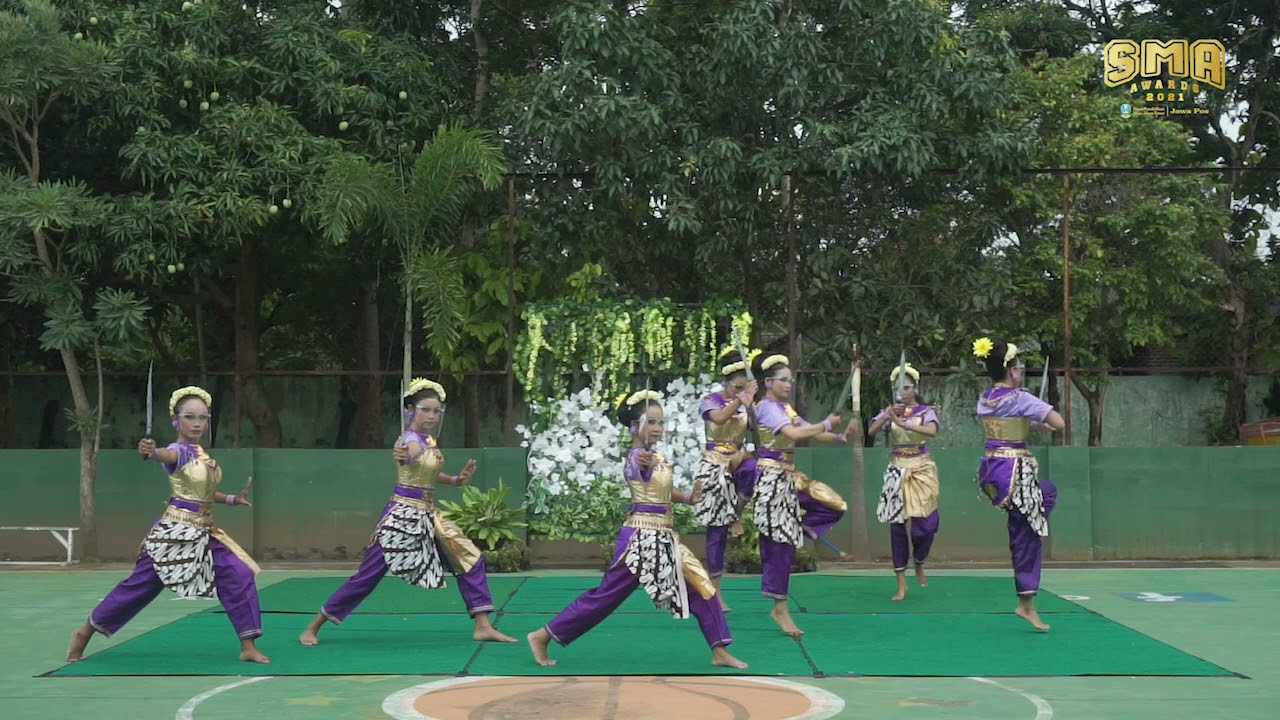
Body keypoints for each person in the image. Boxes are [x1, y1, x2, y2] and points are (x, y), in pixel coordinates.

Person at [527, 389, 747, 669]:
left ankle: (720, 650)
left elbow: (659, 490)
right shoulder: (637, 457)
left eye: (660, 422)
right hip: (641, 541)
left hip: (662, 537)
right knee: (606, 598)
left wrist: (688, 498)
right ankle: (543, 635)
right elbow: (637, 472)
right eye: (651, 422)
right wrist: (642, 463)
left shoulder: (654, 456)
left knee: (700, 585)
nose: (658, 428)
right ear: (634, 426)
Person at [299, 378, 515, 645]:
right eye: (426, 409)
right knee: (367, 577)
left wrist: (457, 480)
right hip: (400, 518)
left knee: (470, 558)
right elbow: (408, 455)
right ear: (411, 410)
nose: (432, 416)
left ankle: (482, 625)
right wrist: (405, 455)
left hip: (428, 515)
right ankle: (313, 627)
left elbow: (429, 474)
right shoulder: (409, 440)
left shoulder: (428, 439)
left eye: (436, 411)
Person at [66, 386, 268, 664]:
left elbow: (201, 493)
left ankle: (248, 645)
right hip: (174, 534)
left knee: (239, 573)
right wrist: (151, 452)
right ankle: (84, 633)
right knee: (139, 588)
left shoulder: (200, 453)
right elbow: (164, 455)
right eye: (189, 416)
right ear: (176, 420)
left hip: (205, 531)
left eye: (202, 417)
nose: (197, 423)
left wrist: (232, 498)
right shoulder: (178, 451)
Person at [750, 353, 856, 637]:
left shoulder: (786, 408)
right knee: (779, 547)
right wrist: (826, 424)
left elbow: (806, 431)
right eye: (783, 380)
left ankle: (803, 525)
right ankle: (780, 608)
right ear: (769, 382)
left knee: (832, 504)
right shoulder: (767, 408)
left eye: (790, 380)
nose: (789, 384)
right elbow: (794, 435)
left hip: (789, 478)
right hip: (772, 479)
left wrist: (837, 436)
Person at [972, 337, 1066, 631]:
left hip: (992, 472)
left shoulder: (986, 398)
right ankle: (1026, 604)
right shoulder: (1022, 398)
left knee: (1021, 530)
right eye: (1018, 365)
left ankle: (1026, 602)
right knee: (1040, 507)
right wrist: (1039, 413)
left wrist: (1032, 424)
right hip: (1015, 471)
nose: (1021, 370)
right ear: (1010, 370)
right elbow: (1059, 422)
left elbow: (1005, 424)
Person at [692, 348, 759, 611]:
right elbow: (719, 418)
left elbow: (756, 428)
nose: (740, 391)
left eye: (744, 387)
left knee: (753, 469)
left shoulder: (745, 404)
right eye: (737, 387)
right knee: (716, 534)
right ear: (726, 384)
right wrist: (742, 400)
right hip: (714, 467)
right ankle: (715, 591)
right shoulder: (711, 400)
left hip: (738, 458)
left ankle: (736, 515)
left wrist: (753, 407)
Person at [869, 362, 941, 600]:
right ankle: (901, 582)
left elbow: (931, 431)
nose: (903, 393)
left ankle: (919, 560)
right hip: (897, 467)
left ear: (915, 388)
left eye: (907, 387)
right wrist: (888, 416)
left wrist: (903, 423)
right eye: (899, 388)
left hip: (921, 467)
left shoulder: (925, 411)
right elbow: (871, 431)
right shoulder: (892, 410)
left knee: (926, 526)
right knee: (897, 527)